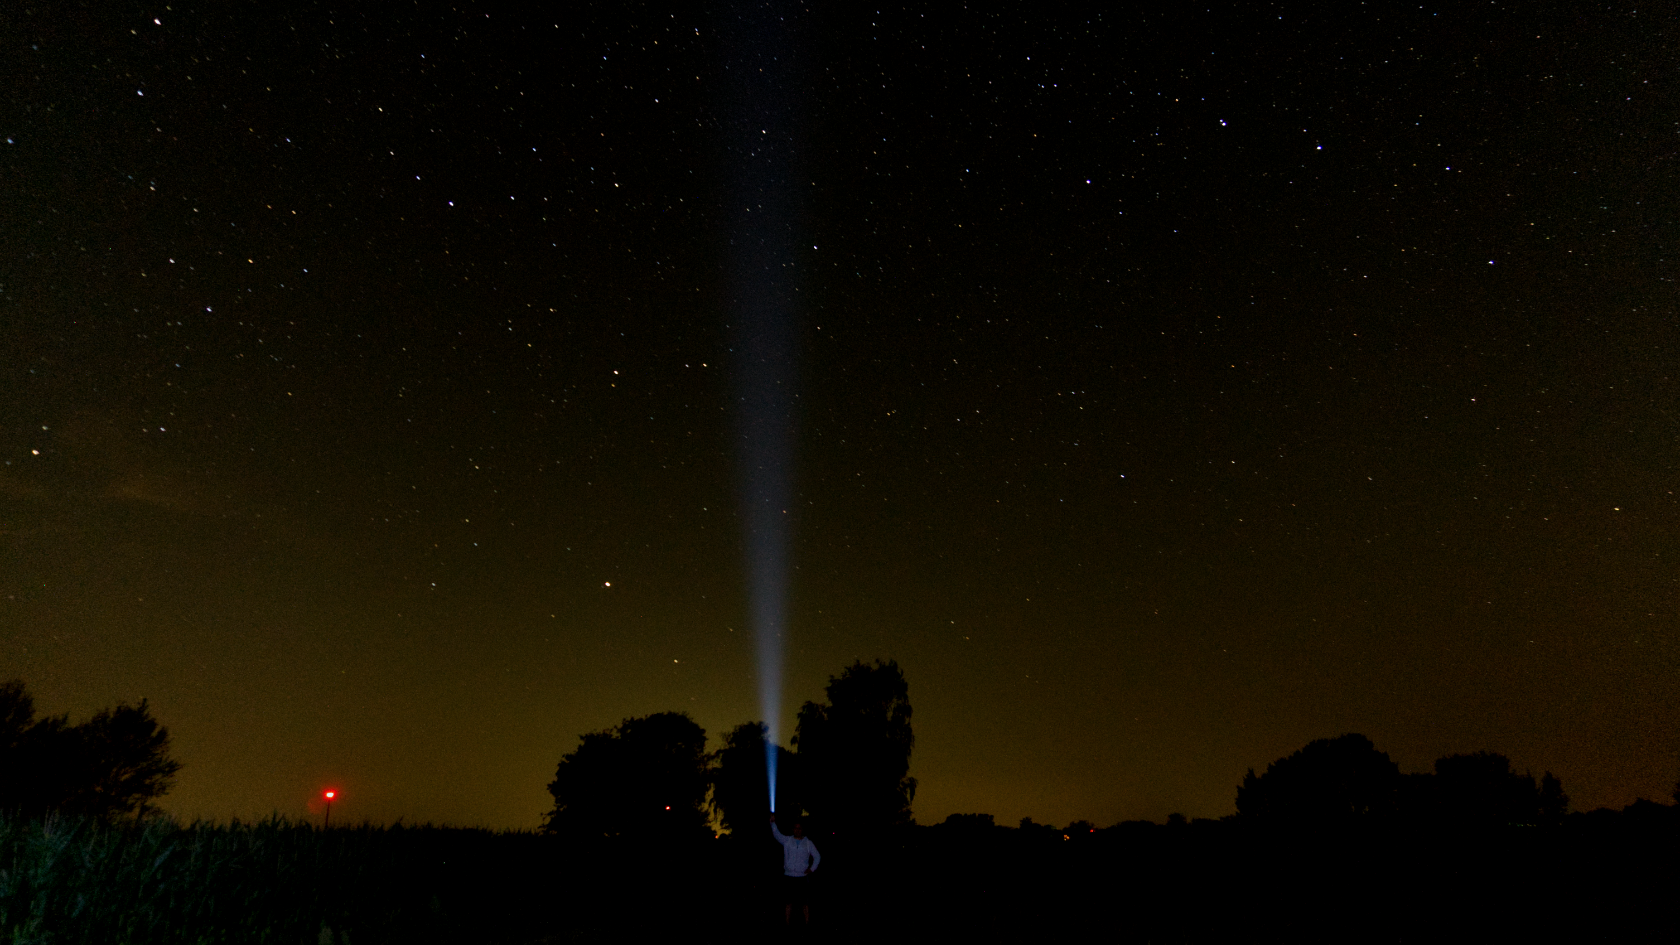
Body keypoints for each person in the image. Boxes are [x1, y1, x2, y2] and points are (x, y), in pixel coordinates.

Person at [770, 812, 820, 926]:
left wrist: (812, 869)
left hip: (802, 877)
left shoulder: (808, 843)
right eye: (795, 828)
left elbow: (817, 856)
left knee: (805, 903)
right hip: (789, 876)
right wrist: (773, 823)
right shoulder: (787, 840)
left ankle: (807, 923)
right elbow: (776, 834)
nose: (797, 830)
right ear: (792, 829)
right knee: (788, 902)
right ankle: (787, 923)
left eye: (799, 828)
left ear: (802, 830)